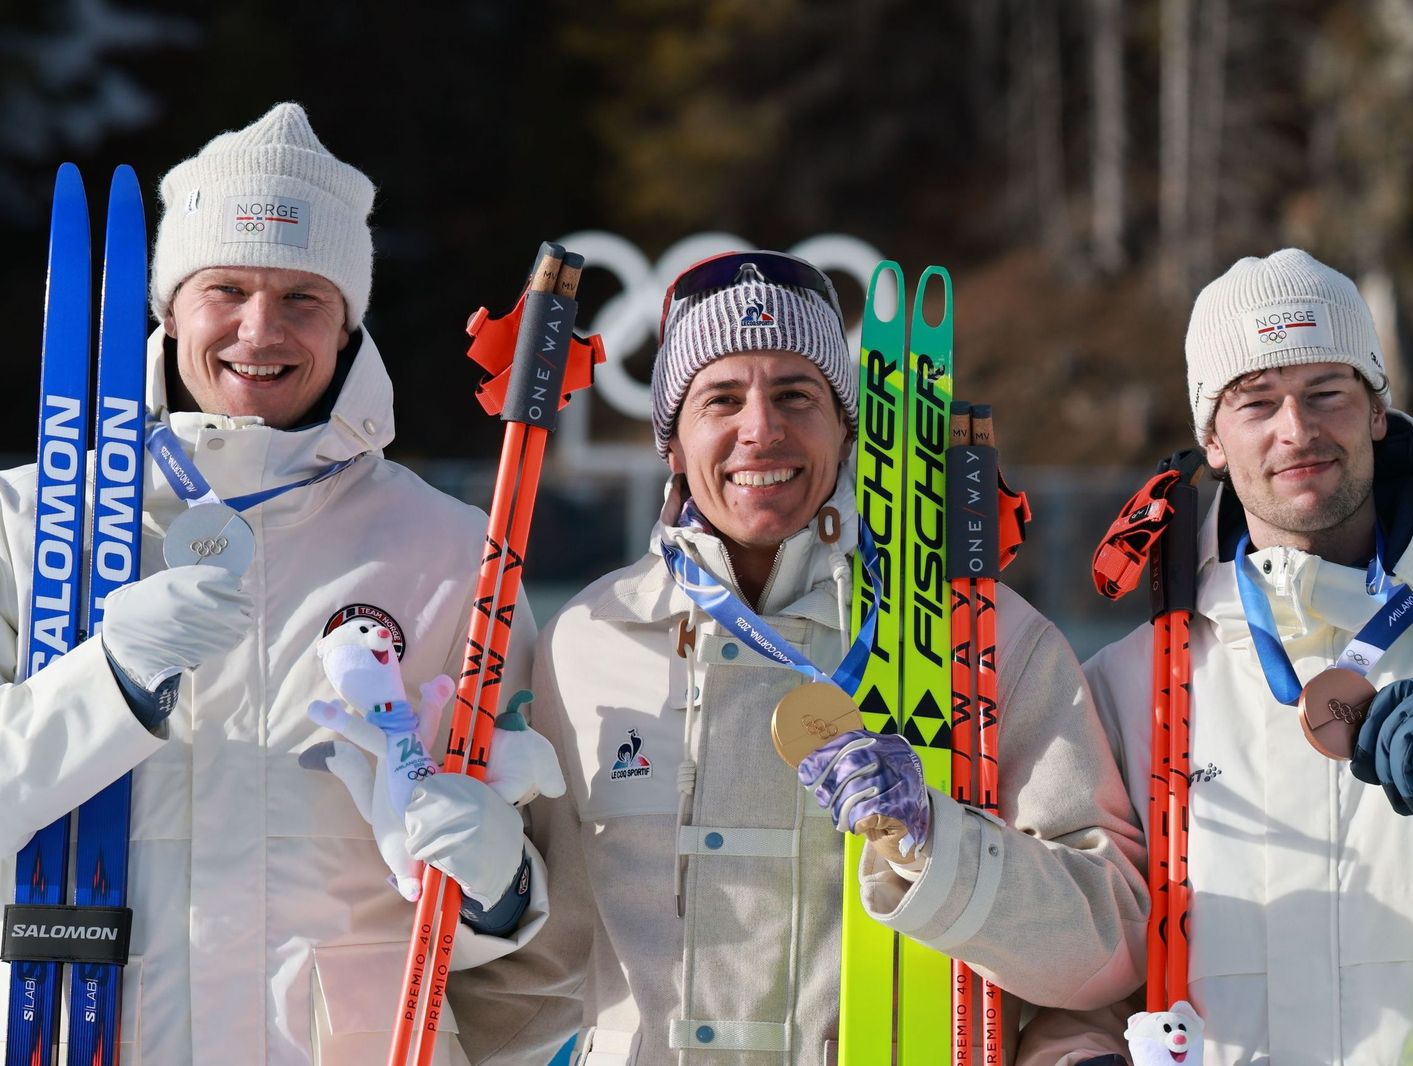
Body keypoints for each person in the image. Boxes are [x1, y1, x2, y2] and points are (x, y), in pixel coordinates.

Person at [446, 250, 1150, 1066]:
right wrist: (478, 898)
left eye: (795, 395)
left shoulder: (977, 637)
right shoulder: (589, 640)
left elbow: (1110, 942)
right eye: (720, 398)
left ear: (844, 428)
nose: (761, 429)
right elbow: (536, 980)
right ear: (671, 441)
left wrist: (938, 844)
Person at [0, 102, 543, 1065]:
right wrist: (108, 682)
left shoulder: (452, 548)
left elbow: (515, 914)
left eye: (305, 298)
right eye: (228, 289)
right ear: (168, 310)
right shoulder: (27, 523)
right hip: (80, 1031)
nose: (262, 328)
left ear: (347, 327)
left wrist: (498, 892)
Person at [1081, 249, 1413, 1062]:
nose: (1298, 430)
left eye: (1327, 393)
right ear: (1211, 440)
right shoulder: (1131, 686)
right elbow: (1090, 971)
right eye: (1256, 404)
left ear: (1376, 411)